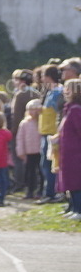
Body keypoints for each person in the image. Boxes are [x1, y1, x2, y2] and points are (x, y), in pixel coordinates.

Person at [36, 65, 65, 204]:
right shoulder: (50, 92)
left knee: (49, 164)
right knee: (45, 164)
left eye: (43, 76)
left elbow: (59, 113)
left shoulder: (58, 92)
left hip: (52, 133)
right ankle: (49, 192)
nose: (41, 79)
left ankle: (52, 193)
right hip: (46, 132)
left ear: (48, 77)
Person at [57, 79, 81, 220]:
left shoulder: (76, 110)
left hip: (75, 152)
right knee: (68, 181)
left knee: (76, 181)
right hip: (67, 151)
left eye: (68, 89)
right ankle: (72, 207)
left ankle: (79, 209)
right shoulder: (69, 108)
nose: (65, 92)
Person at [16, 99, 44, 199]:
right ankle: (30, 191)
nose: (32, 112)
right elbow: (20, 138)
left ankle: (41, 191)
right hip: (29, 152)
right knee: (29, 173)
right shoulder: (24, 123)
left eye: (34, 109)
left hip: (40, 152)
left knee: (41, 172)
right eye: (30, 110)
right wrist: (21, 151)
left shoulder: (42, 122)